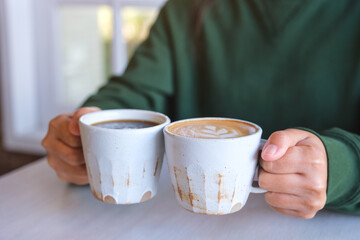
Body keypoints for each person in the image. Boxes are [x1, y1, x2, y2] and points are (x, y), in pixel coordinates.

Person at [41, 0, 360, 219]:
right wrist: (83, 133)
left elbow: (345, 168)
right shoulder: (187, 8)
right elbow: (134, 94)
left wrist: (342, 168)